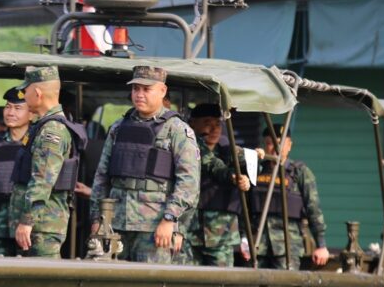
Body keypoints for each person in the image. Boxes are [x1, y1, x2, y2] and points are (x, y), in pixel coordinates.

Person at [90, 65, 200, 264]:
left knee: (151, 280)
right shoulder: (118, 127)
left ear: (162, 91)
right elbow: (102, 176)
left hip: (154, 227)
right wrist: (97, 218)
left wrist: (170, 220)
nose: (139, 94)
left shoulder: (177, 130)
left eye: (146, 89)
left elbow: (189, 183)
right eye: (135, 89)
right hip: (115, 224)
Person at [10, 66, 86, 258]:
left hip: (42, 226)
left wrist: (27, 220)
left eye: (25, 91)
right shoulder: (43, 125)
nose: (23, 96)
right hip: (38, 225)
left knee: (42, 275)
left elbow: (42, 178)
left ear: (37, 93)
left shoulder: (51, 130)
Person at [251, 125, 329, 270]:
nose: (276, 148)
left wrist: (321, 245)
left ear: (289, 146)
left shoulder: (299, 172)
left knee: (284, 283)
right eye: (270, 143)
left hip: (287, 246)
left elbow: (314, 209)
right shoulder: (256, 170)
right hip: (257, 246)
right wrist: (244, 238)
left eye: (280, 143)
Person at [183, 103, 251, 267]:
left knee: (222, 280)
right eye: (207, 123)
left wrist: (245, 179)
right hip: (187, 231)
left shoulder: (231, 151)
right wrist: (231, 176)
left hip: (221, 234)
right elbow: (213, 165)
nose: (214, 129)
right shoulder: (185, 147)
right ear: (193, 124)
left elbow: (254, 169)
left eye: (218, 124)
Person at [0, 87, 31, 257]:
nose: (11, 113)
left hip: (28, 226)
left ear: (31, 113)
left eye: (18, 108)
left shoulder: (39, 142)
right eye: (8, 107)